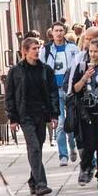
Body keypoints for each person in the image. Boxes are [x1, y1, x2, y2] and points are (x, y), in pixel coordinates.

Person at [5, 37, 59, 196]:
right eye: (33, 48)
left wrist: (54, 114)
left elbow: (53, 92)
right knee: (34, 147)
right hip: (25, 115)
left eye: (38, 48)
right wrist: (12, 118)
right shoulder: (15, 71)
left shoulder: (46, 69)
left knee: (37, 148)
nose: (37, 51)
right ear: (25, 51)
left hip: (41, 114)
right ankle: (41, 183)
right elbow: (9, 96)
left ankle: (32, 181)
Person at [71, 38, 98, 188]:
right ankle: (86, 168)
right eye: (90, 51)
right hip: (84, 111)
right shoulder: (81, 67)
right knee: (88, 144)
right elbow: (75, 89)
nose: (92, 54)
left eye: (95, 51)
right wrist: (85, 78)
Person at [43, 22, 79, 166]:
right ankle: (62, 155)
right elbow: (42, 69)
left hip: (69, 90)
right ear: (51, 32)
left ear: (64, 32)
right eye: (55, 30)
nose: (58, 33)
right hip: (54, 91)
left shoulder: (73, 48)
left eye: (60, 30)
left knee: (70, 122)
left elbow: (78, 66)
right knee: (59, 123)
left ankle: (72, 147)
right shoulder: (46, 50)